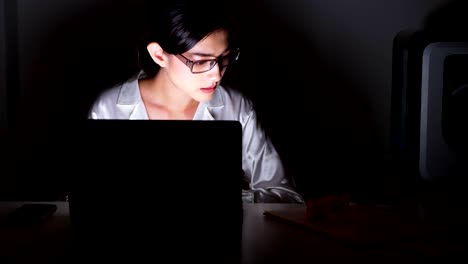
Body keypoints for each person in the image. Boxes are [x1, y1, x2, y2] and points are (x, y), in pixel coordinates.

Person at [87, 0, 304, 203]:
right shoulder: (109, 109)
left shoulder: (236, 107)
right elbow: (88, 197)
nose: (217, 74)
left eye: (223, 58)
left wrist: (222, 200)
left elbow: (286, 196)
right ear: (159, 54)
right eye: (201, 62)